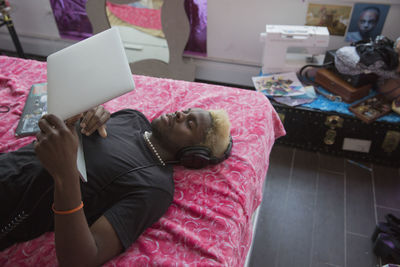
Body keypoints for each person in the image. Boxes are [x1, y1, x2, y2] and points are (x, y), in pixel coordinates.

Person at [0, 105, 232, 266]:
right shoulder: (134, 118)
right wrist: (84, 115)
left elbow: (83, 258)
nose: (181, 113)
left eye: (189, 123)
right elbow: (73, 137)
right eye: (187, 111)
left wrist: (65, 175)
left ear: (192, 155)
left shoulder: (154, 187)